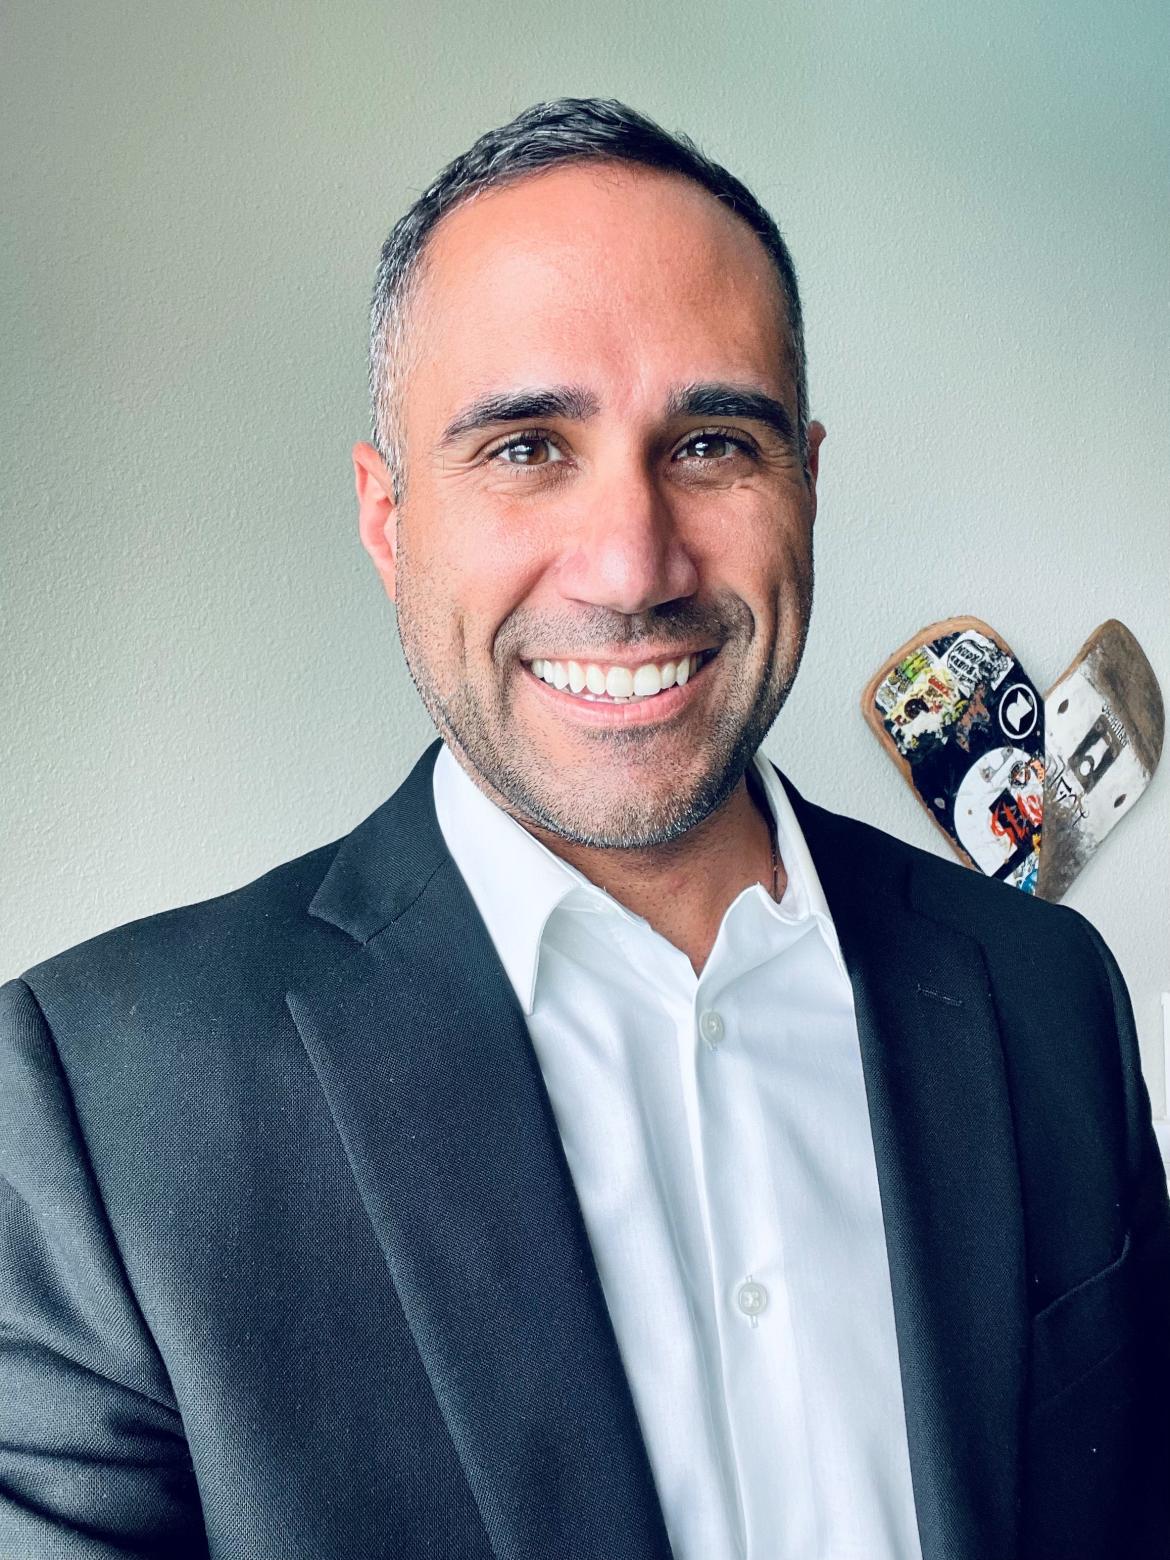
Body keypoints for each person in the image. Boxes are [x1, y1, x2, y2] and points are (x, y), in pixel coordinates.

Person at [1, 97, 1167, 1560]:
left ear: (803, 479)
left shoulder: (1046, 992)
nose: (630, 564)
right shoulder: (97, 1101)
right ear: (386, 514)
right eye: (524, 448)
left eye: (712, 444)